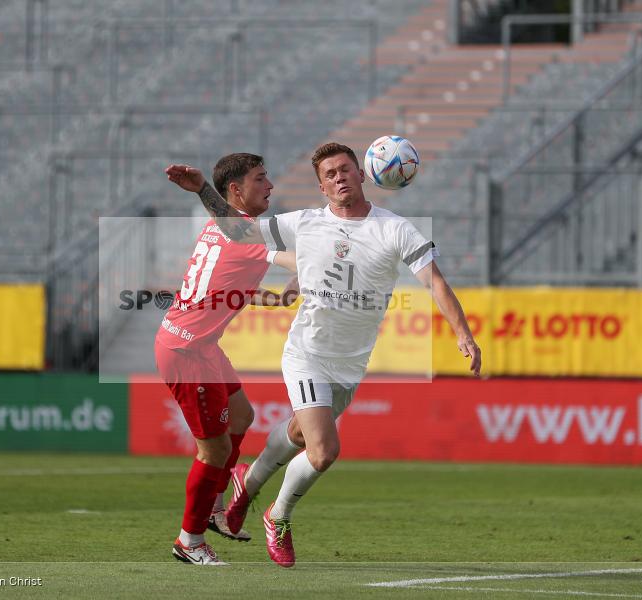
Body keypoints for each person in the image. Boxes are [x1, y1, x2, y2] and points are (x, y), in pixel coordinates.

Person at [165, 142, 481, 568]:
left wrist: (463, 333)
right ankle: (278, 518)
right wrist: (203, 188)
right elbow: (238, 232)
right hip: (306, 352)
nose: (339, 177)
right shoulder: (305, 222)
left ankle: (245, 485)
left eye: (345, 170)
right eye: (330, 174)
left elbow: (435, 283)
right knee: (323, 451)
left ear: (363, 174)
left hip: (351, 361)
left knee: (299, 433)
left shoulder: (395, 228)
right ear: (321, 186)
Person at [156, 153, 298, 566]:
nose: (270, 185)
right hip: (186, 351)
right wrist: (323, 259)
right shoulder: (243, 233)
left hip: (201, 346)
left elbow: (225, 286)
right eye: (260, 178)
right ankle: (190, 540)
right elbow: (284, 259)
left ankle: (216, 509)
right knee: (213, 451)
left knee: (240, 416)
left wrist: (276, 297)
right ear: (236, 190)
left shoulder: (228, 227)